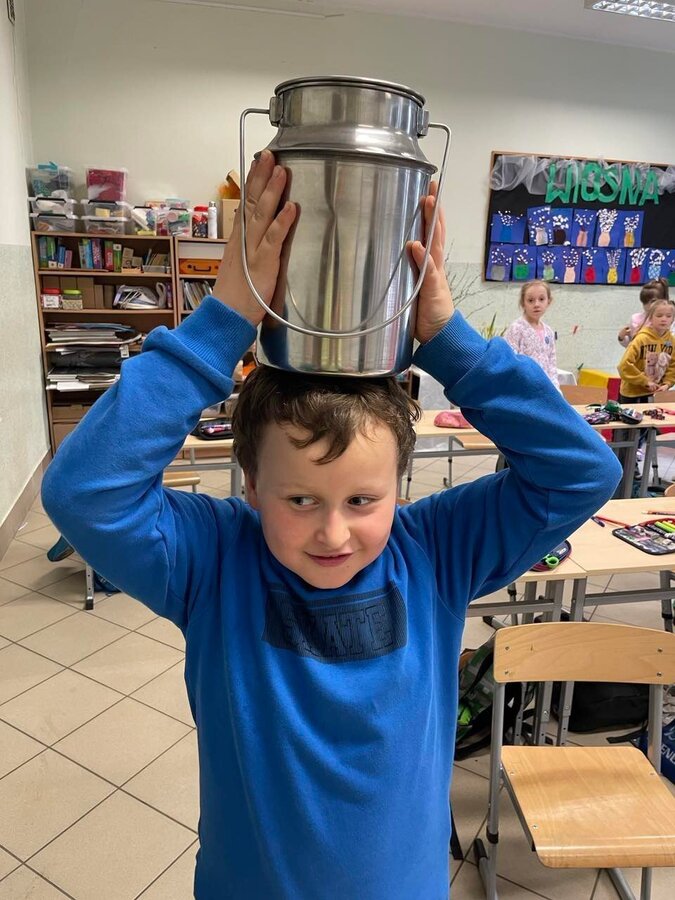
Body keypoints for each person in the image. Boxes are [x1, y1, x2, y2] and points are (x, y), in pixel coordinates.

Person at [41, 151, 621, 900]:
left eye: (362, 501)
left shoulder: (436, 551)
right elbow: (85, 492)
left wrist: (451, 343)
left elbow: (583, 471)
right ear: (250, 486)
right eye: (300, 501)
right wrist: (224, 321)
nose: (334, 534)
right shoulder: (212, 562)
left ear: (401, 486)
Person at [503, 280, 559, 388]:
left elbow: (552, 363)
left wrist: (555, 388)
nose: (536, 304)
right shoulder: (516, 329)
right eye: (530, 300)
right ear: (523, 303)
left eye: (541, 299)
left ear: (548, 301)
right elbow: (509, 361)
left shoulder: (549, 332)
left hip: (545, 388)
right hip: (522, 387)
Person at [618, 297, 675, 403]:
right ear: (651, 318)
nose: (664, 319)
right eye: (659, 315)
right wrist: (645, 381)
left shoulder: (671, 341)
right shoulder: (641, 339)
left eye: (668, 316)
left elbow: (673, 365)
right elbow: (624, 365)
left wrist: (667, 383)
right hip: (632, 394)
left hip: (656, 392)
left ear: (672, 319)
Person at [617, 277, 669, 348]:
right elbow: (631, 345)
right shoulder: (636, 319)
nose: (647, 305)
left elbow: (670, 345)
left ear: (664, 301)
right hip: (639, 354)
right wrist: (622, 337)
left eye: (653, 301)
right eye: (644, 301)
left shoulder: (669, 321)